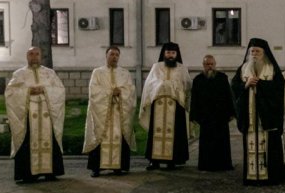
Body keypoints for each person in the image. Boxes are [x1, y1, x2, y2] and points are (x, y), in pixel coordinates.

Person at [5, 46, 66, 183]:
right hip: (28, 115)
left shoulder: (50, 73)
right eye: (31, 54)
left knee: (50, 139)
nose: (34, 57)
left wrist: (45, 90)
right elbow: (10, 93)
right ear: (27, 56)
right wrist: (28, 91)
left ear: (41, 56)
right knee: (27, 140)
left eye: (37, 54)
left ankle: (50, 172)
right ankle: (28, 174)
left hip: (47, 113)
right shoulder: (19, 74)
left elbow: (60, 90)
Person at [231, 37, 285, 185]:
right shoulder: (243, 68)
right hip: (249, 117)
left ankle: (270, 176)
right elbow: (234, 87)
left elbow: (279, 89)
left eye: (257, 51)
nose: (254, 54)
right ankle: (252, 176)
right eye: (252, 51)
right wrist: (246, 84)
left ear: (264, 53)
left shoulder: (272, 68)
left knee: (270, 146)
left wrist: (261, 84)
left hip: (267, 117)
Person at [82, 46, 136, 177]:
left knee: (119, 136)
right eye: (111, 54)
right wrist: (111, 92)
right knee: (100, 134)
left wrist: (120, 92)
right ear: (106, 56)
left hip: (119, 112)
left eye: (117, 55)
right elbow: (93, 91)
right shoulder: (97, 72)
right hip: (101, 113)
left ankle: (118, 167)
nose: (114, 57)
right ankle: (97, 168)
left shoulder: (125, 73)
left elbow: (130, 90)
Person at [139, 42, 191, 171]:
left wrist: (171, 86)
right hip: (158, 104)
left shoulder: (182, 69)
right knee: (155, 132)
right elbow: (149, 84)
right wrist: (162, 85)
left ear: (177, 54)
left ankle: (172, 161)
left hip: (176, 105)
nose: (170, 55)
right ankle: (154, 161)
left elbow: (187, 86)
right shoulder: (156, 67)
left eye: (173, 53)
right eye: (168, 53)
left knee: (175, 133)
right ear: (164, 53)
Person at [189, 54, 235, 172]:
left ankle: (223, 165)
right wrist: (194, 115)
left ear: (215, 64)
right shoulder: (198, 80)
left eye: (211, 64)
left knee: (222, 142)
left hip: (221, 116)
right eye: (207, 64)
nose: (210, 66)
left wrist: (231, 113)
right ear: (203, 65)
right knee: (206, 143)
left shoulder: (222, 78)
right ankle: (206, 165)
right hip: (205, 117)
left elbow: (229, 96)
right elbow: (194, 99)